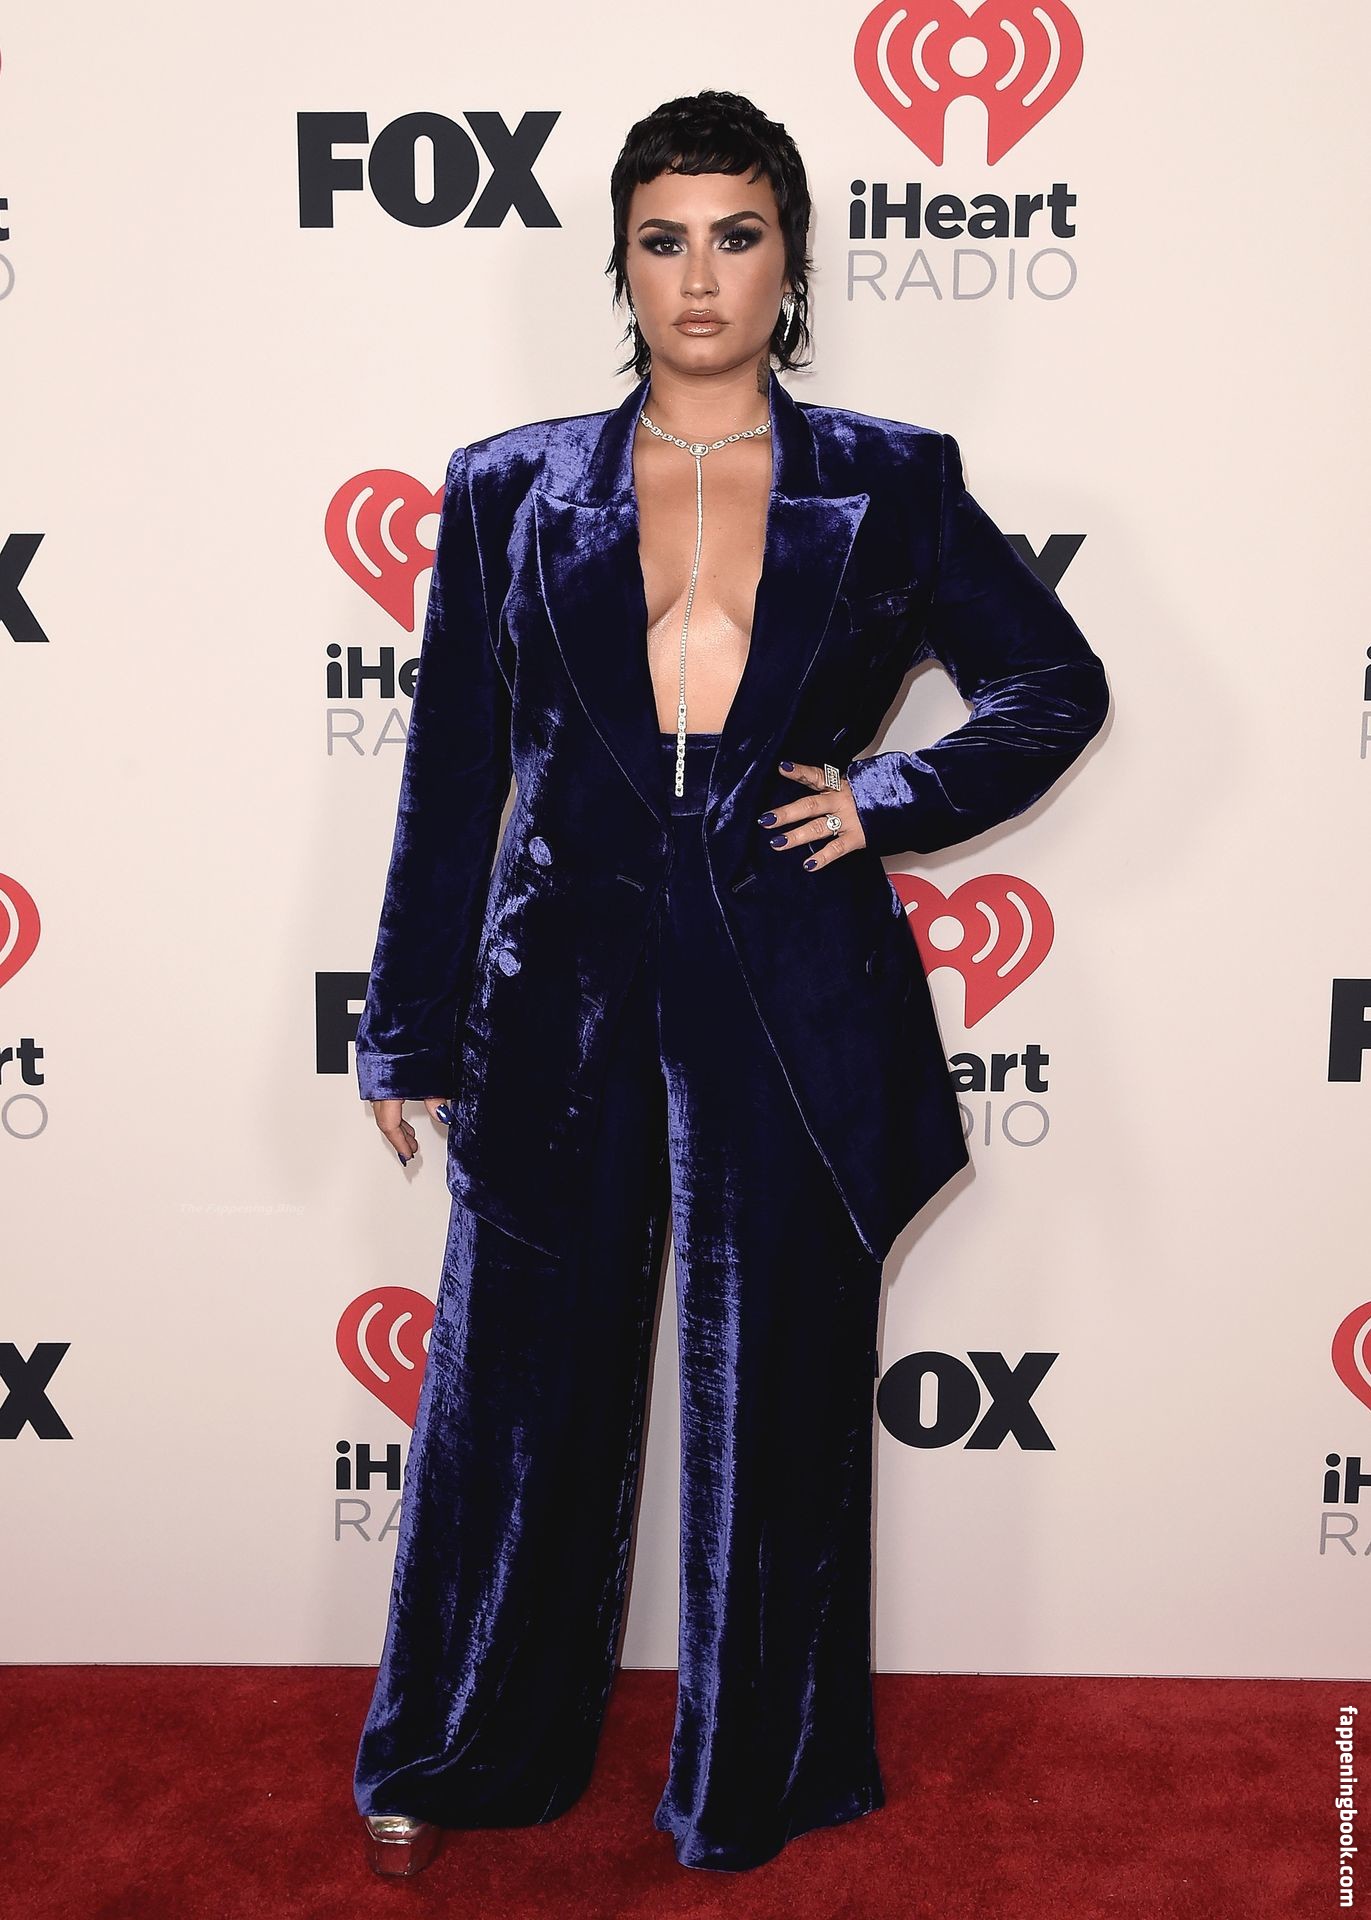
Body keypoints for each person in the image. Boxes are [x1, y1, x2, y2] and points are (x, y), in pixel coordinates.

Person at [350, 89, 1110, 1879]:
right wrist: (406, 1019)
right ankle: (458, 1743)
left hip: (789, 970)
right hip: (562, 978)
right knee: (513, 1386)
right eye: (665, 238)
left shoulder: (891, 478)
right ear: (620, 262)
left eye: (738, 235)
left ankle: (755, 1769)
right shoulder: (507, 486)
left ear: (792, 259)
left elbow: (1052, 684)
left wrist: (888, 800)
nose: (701, 278)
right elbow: (454, 769)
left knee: (778, 1384)